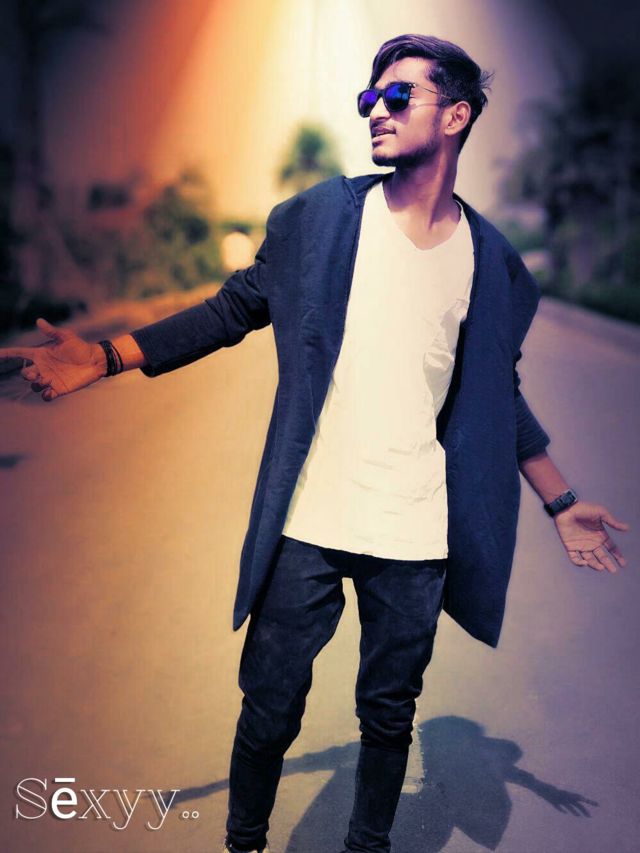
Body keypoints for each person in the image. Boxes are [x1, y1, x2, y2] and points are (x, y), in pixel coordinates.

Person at [1, 34, 630, 853]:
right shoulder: (321, 220)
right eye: (369, 98)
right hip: (310, 520)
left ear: (456, 116)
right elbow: (232, 309)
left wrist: (562, 500)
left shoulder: (491, 263)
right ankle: (246, 841)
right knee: (267, 706)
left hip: (413, 534)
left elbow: (495, 393)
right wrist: (108, 355)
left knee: (388, 718)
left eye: (397, 97)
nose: (375, 112)